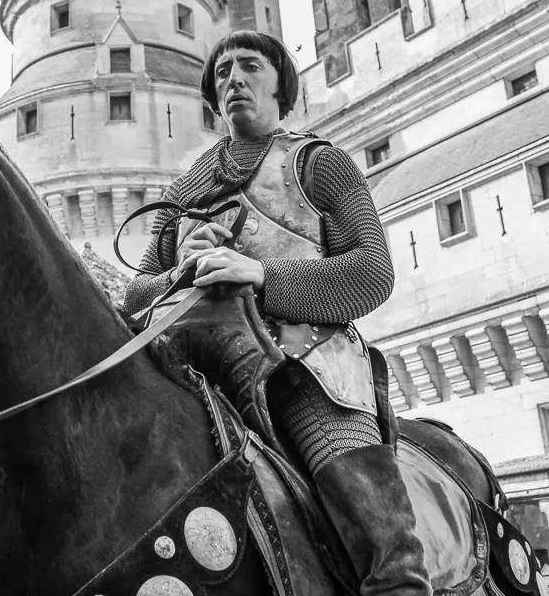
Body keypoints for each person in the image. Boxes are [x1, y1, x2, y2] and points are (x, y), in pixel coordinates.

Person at [123, 30, 431, 596]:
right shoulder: (186, 187)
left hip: (300, 366)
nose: (233, 78)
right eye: (221, 73)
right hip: (190, 371)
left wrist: (262, 276)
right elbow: (135, 297)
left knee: (380, 538)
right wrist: (176, 273)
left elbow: (372, 272)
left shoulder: (319, 164)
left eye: (249, 66)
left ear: (280, 86)